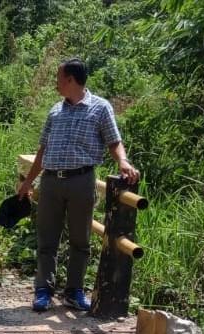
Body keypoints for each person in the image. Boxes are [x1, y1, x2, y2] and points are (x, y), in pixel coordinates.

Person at [17, 58, 138, 312]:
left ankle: (74, 291)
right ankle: (43, 291)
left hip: (82, 181)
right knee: (46, 238)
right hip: (50, 181)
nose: (56, 84)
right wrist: (28, 181)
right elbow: (43, 150)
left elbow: (114, 141)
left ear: (71, 80)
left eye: (59, 79)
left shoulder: (100, 108)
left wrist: (123, 162)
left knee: (80, 240)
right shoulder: (55, 111)